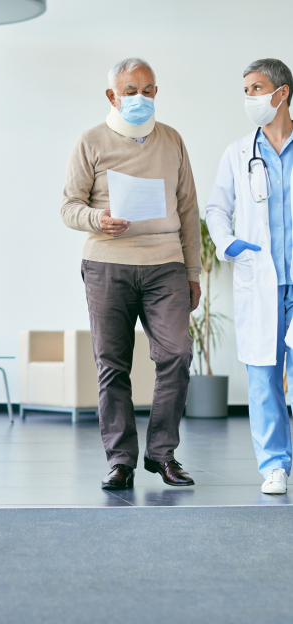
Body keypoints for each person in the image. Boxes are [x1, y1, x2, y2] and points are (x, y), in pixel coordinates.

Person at [61, 58, 201, 490]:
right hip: (107, 263)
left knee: (176, 355)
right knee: (112, 365)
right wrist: (97, 219)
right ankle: (120, 460)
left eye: (147, 89)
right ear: (112, 96)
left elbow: (189, 210)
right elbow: (68, 206)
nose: (140, 98)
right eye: (130, 90)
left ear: (156, 92)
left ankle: (162, 454)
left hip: (165, 265)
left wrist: (193, 273)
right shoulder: (91, 141)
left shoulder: (172, 140)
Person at [206, 58, 293, 495]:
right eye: (246, 90)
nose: (250, 98)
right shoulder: (239, 152)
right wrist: (227, 243)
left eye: (257, 88)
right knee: (263, 376)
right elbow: (216, 208)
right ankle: (275, 465)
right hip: (260, 279)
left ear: (282, 93)